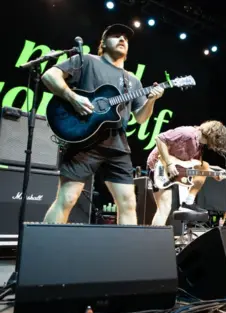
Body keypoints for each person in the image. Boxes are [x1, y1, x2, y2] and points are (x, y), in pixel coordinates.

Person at [41, 24, 164, 225]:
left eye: (125, 37)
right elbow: (49, 76)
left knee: (128, 203)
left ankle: (125, 255)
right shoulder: (87, 61)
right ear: (103, 43)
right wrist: (73, 98)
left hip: (117, 144)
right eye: (116, 36)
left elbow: (141, 118)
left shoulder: (132, 80)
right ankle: (41, 250)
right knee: (68, 198)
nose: (122, 39)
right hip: (84, 140)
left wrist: (152, 100)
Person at [146, 121, 226, 227]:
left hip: (177, 171)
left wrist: (216, 175)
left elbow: (195, 166)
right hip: (158, 166)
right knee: (164, 208)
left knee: (204, 166)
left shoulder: (199, 147)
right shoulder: (187, 133)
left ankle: (188, 203)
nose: (216, 146)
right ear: (214, 135)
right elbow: (159, 139)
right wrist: (169, 164)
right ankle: (152, 241)